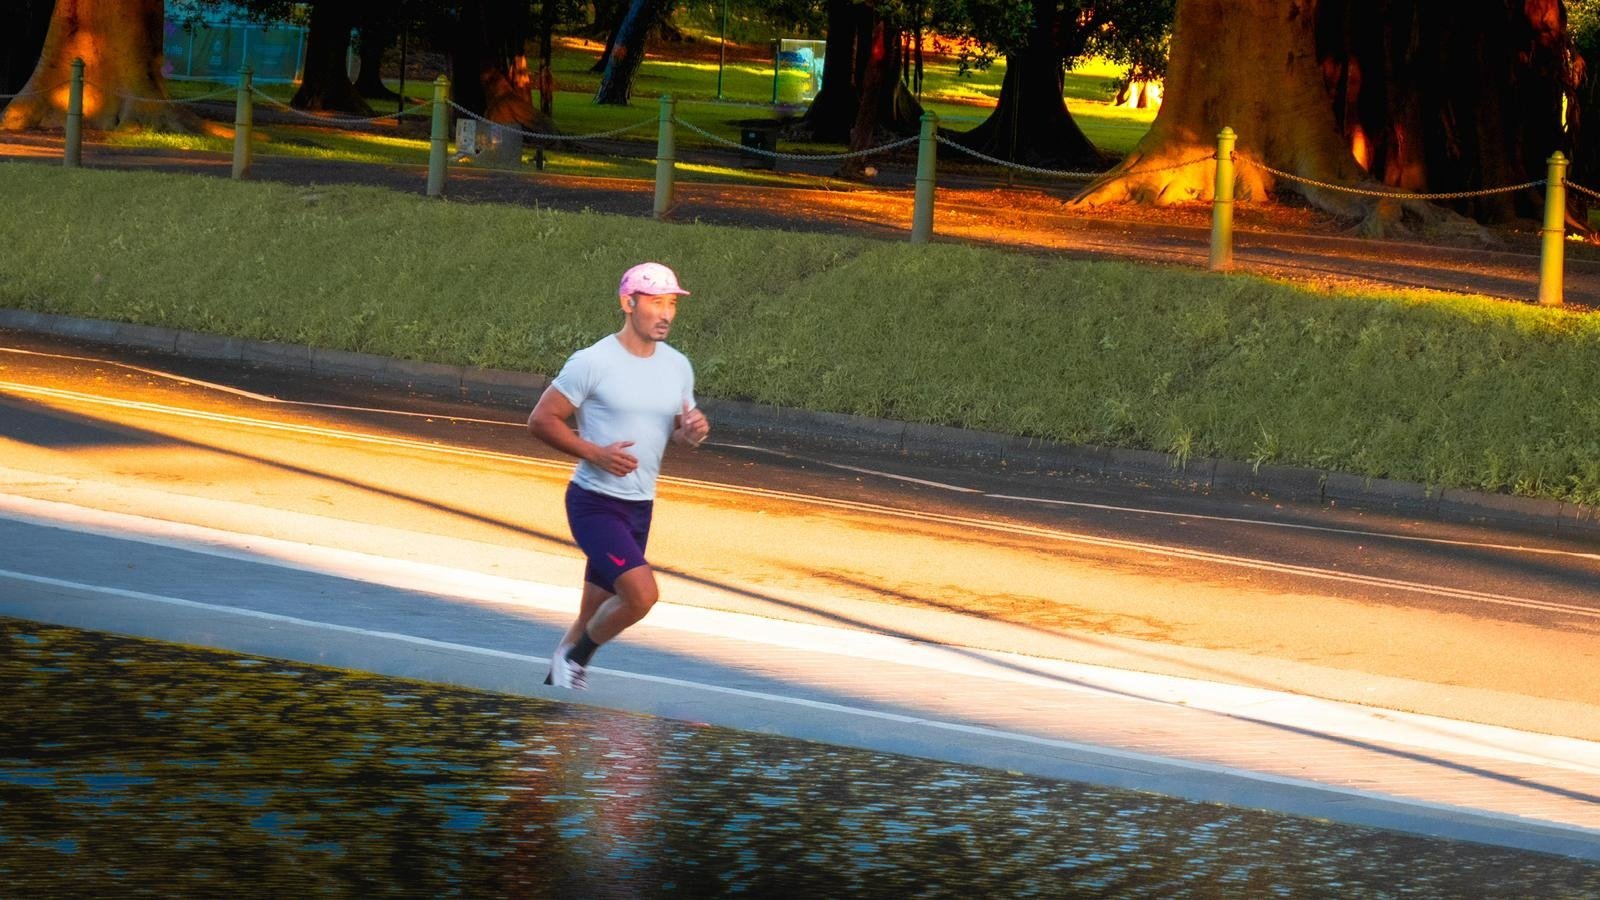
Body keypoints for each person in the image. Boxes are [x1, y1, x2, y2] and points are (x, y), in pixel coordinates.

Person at [527, 261, 711, 690]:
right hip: (595, 502)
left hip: (640, 504)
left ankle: (557, 698)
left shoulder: (678, 366)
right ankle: (580, 657)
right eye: (655, 303)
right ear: (628, 303)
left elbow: (674, 431)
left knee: (593, 611)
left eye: (671, 304)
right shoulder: (593, 361)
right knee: (641, 595)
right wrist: (595, 453)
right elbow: (541, 420)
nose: (665, 314)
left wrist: (691, 432)